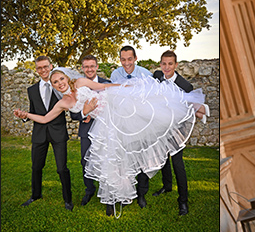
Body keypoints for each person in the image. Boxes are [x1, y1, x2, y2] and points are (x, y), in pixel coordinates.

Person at [14, 66, 202, 218]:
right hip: (104, 126)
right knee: (110, 161)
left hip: (118, 109)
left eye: (61, 79)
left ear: (66, 77)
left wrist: (127, 88)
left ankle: (189, 106)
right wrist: (26, 115)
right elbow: (46, 118)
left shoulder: (80, 82)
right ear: (53, 86)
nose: (60, 83)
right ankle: (111, 199)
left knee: (152, 114)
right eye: (55, 82)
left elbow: (104, 88)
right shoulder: (63, 102)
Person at [151, 50, 209, 215]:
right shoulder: (156, 76)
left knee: (178, 163)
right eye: (164, 63)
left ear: (176, 65)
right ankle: (167, 186)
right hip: (160, 126)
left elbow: (191, 108)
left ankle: (183, 201)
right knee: (162, 159)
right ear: (160, 64)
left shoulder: (186, 86)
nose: (166, 67)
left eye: (170, 64)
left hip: (177, 129)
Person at [16, 56, 73, 211]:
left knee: (62, 168)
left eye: (45, 67)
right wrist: (24, 116)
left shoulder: (59, 85)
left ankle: (68, 199)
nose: (43, 70)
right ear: (36, 70)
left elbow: (72, 103)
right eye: (39, 68)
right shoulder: (32, 90)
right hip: (39, 133)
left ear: (51, 66)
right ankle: (35, 195)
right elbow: (34, 112)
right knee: (36, 167)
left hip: (58, 133)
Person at [108, 45, 153, 214]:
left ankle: (141, 194)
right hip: (122, 124)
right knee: (124, 160)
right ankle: (125, 191)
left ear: (135, 58)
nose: (126, 63)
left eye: (129, 59)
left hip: (141, 123)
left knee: (142, 160)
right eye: (123, 59)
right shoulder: (115, 75)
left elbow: (151, 100)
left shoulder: (145, 74)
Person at [69, 55, 111, 207]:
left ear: (97, 67)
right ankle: (89, 189)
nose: (89, 69)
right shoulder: (77, 87)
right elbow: (73, 112)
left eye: (92, 66)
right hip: (87, 130)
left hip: (105, 130)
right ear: (82, 68)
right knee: (85, 161)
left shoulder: (107, 84)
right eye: (86, 66)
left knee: (106, 161)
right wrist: (84, 113)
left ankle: (106, 191)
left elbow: (116, 107)